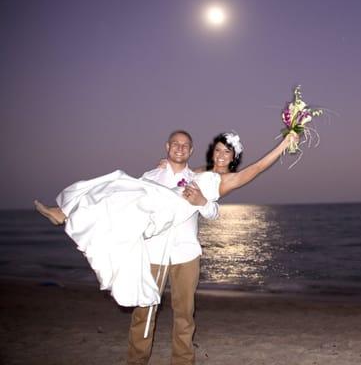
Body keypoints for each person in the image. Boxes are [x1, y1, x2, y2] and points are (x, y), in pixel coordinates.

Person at [34, 130, 297, 365]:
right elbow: (177, 174)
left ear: (233, 158)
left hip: (185, 253)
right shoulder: (190, 173)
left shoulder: (226, 180)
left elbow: (259, 168)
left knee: (184, 314)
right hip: (156, 247)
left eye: (226, 152)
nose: (220, 155)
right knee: (124, 188)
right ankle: (66, 211)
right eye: (217, 150)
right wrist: (168, 167)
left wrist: (285, 143)